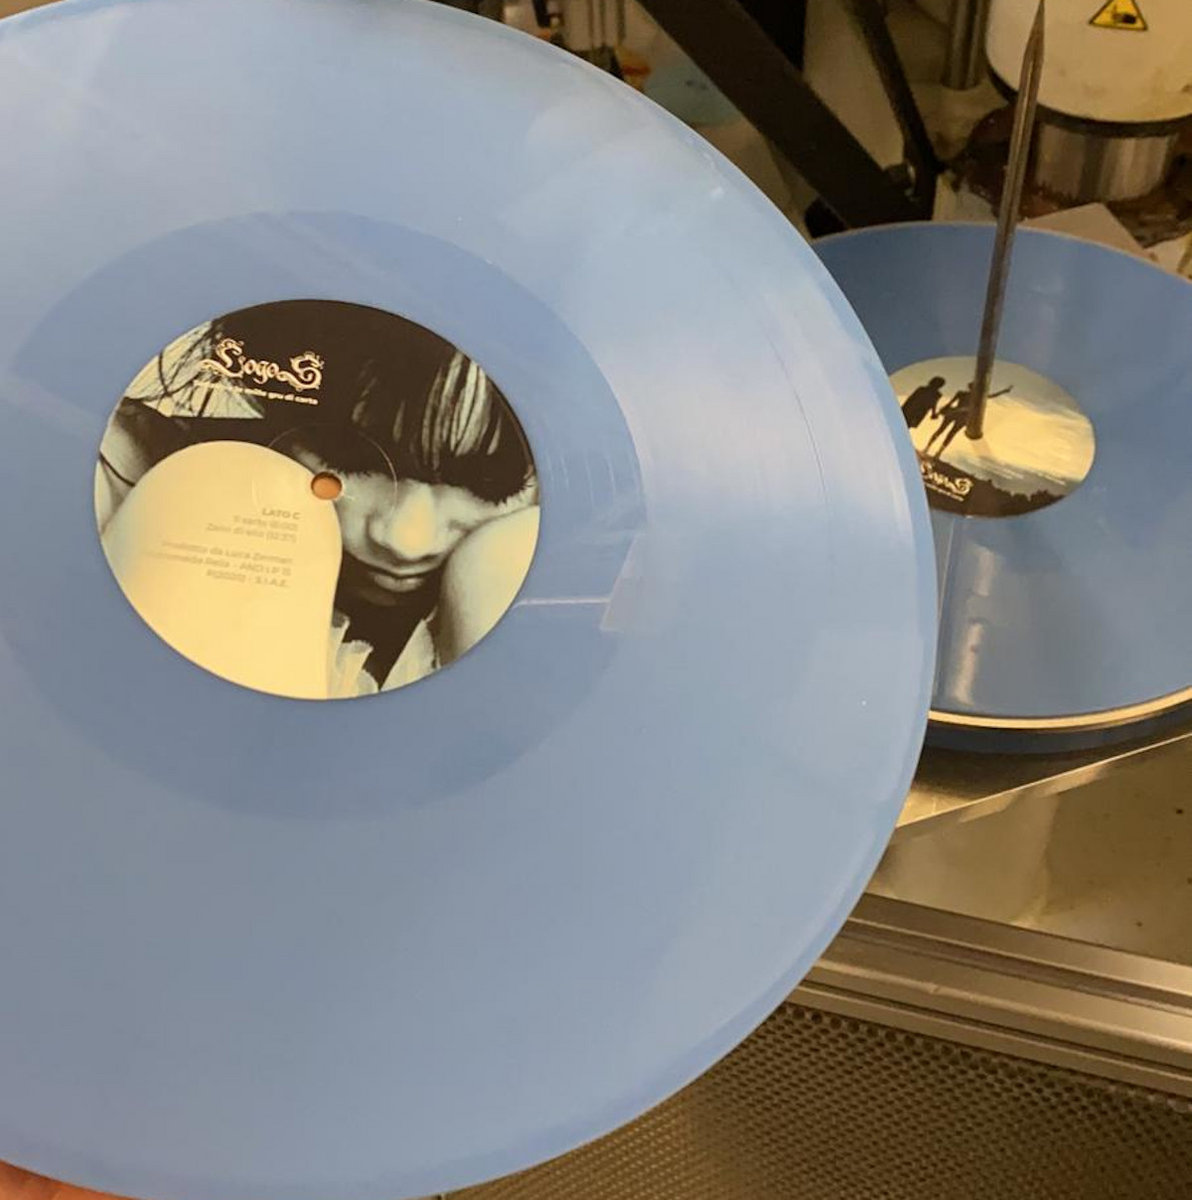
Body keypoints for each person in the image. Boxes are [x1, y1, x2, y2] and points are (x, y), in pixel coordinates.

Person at [96, 301, 539, 697]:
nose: (405, 540)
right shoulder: (138, 479)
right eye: (350, 458)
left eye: (488, 483)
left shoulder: (526, 552)